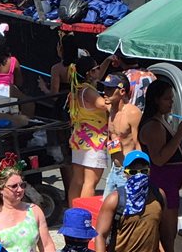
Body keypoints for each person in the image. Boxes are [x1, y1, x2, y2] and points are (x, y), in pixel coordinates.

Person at [139, 78, 182, 245]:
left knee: (169, 232)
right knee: (167, 234)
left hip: (169, 185)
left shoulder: (161, 120)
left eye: (172, 98)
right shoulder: (154, 126)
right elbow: (159, 159)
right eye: (167, 98)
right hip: (163, 184)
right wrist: (180, 134)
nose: (171, 102)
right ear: (156, 100)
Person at [0, 162, 56, 252]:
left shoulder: (34, 211)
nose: (20, 189)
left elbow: (47, 245)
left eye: (22, 185)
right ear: (1, 189)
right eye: (14, 186)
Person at [95, 151, 170, 252]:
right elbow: (100, 235)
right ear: (125, 173)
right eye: (133, 172)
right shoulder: (115, 199)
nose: (138, 175)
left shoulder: (159, 195)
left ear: (149, 171)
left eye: (143, 171)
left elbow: (165, 234)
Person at [67, 56, 109, 204]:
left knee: (78, 180)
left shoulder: (79, 88)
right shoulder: (89, 92)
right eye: (96, 68)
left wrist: (107, 60)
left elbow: (100, 73)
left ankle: (73, 213)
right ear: (90, 73)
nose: (99, 70)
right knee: (90, 182)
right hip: (94, 140)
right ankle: (85, 214)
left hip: (80, 138)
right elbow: (104, 104)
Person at [101, 73, 142, 192]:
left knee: (123, 209)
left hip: (127, 172)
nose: (105, 92)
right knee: (106, 208)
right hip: (114, 169)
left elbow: (138, 144)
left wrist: (138, 174)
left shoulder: (133, 113)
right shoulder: (110, 109)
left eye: (110, 89)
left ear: (122, 91)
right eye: (105, 88)